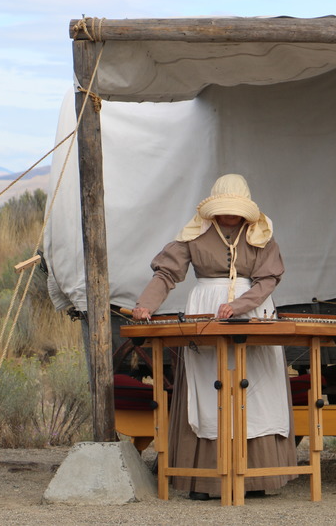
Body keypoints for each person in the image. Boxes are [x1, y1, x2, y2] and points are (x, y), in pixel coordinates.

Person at [131, 173, 296, 500]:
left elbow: (267, 281)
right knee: (208, 390)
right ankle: (205, 479)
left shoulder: (261, 234)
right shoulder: (195, 233)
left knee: (255, 390)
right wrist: (144, 305)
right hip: (206, 308)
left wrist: (239, 305)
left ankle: (256, 477)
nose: (230, 215)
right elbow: (166, 274)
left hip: (253, 310)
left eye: (235, 210)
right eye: (224, 209)